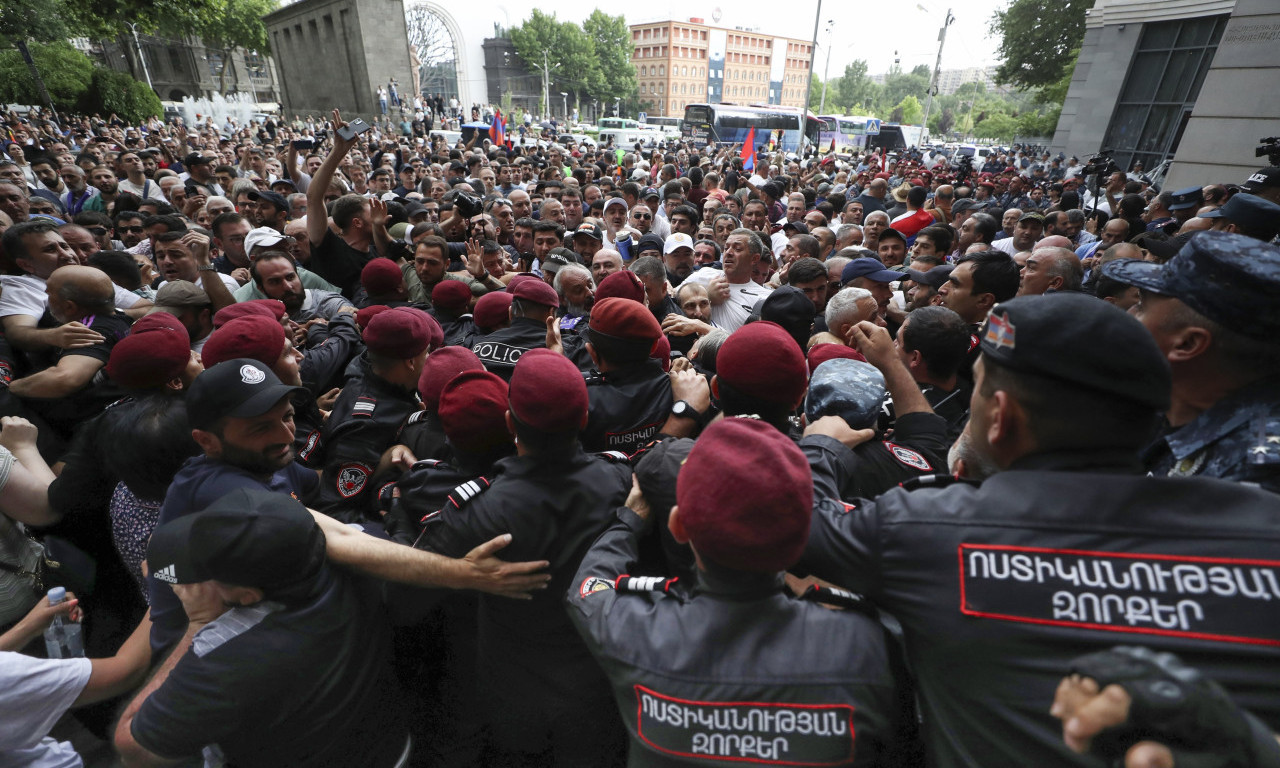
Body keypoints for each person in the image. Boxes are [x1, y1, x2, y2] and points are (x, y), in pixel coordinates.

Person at [800, 292, 1280, 766]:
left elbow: (800, 522)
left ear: (1000, 418)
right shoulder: (1264, 528)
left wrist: (821, 446)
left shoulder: (928, 527)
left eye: (980, 391)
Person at [568, 418, 915, 768]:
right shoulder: (870, 647)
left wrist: (629, 520)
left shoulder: (630, 628)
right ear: (801, 540)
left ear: (678, 526)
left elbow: (587, 587)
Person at [415, 349, 633, 766]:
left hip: (513, 703)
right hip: (601, 689)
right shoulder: (620, 482)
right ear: (584, 420)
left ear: (511, 422)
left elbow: (407, 594)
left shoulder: (476, 510)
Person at [116, 488, 413, 768]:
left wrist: (199, 624)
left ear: (248, 596)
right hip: (392, 745)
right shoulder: (367, 554)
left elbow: (133, 744)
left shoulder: (226, 656)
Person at [1120, 232, 1280, 493]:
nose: (1129, 314)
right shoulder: (1156, 402)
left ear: (1187, 344)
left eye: (1141, 306)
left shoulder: (1258, 471)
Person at [314, 307, 440, 519]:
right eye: (427, 353)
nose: (431, 359)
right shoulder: (366, 427)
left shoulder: (372, 366)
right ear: (410, 362)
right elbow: (335, 508)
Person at [679, 228, 771, 332]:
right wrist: (708, 297)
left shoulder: (765, 298)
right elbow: (670, 301)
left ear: (754, 258)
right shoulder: (703, 275)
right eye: (726, 248)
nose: (728, 252)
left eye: (737, 249)